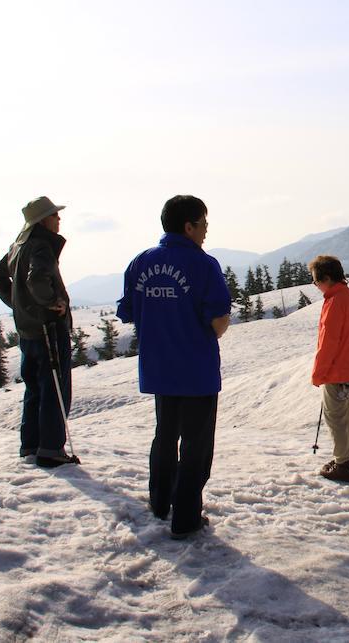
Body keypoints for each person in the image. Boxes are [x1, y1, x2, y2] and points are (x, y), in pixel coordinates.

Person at [116, 195, 231, 540]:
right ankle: (185, 518)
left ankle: (159, 501)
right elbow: (218, 319)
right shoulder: (203, 264)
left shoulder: (141, 262)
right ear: (189, 226)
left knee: (165, 436)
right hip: (196, 370)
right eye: (204, 223)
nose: (207, 230)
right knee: (196, 445)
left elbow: (128, 311)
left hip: (159, 369)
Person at [0, 196, 78, 468]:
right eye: (54, 215)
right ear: (42, 221)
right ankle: (51, 449)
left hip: (28, 330)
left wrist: (20, 305)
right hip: (49, 328)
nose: (58, 219)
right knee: (54, 388)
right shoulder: (40, 246)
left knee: (34, 388)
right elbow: (37, 279)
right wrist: (52, 303)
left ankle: (31, 445)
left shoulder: (19, 245)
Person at [309, 255, 349, 484]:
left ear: (326, 278)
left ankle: (342, 463)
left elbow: (328, 342)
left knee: (334, 416)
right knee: (347, 413)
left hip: (337, 370)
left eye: (316, 282)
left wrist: (319, 372)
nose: (316, 286)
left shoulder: (334, 301)